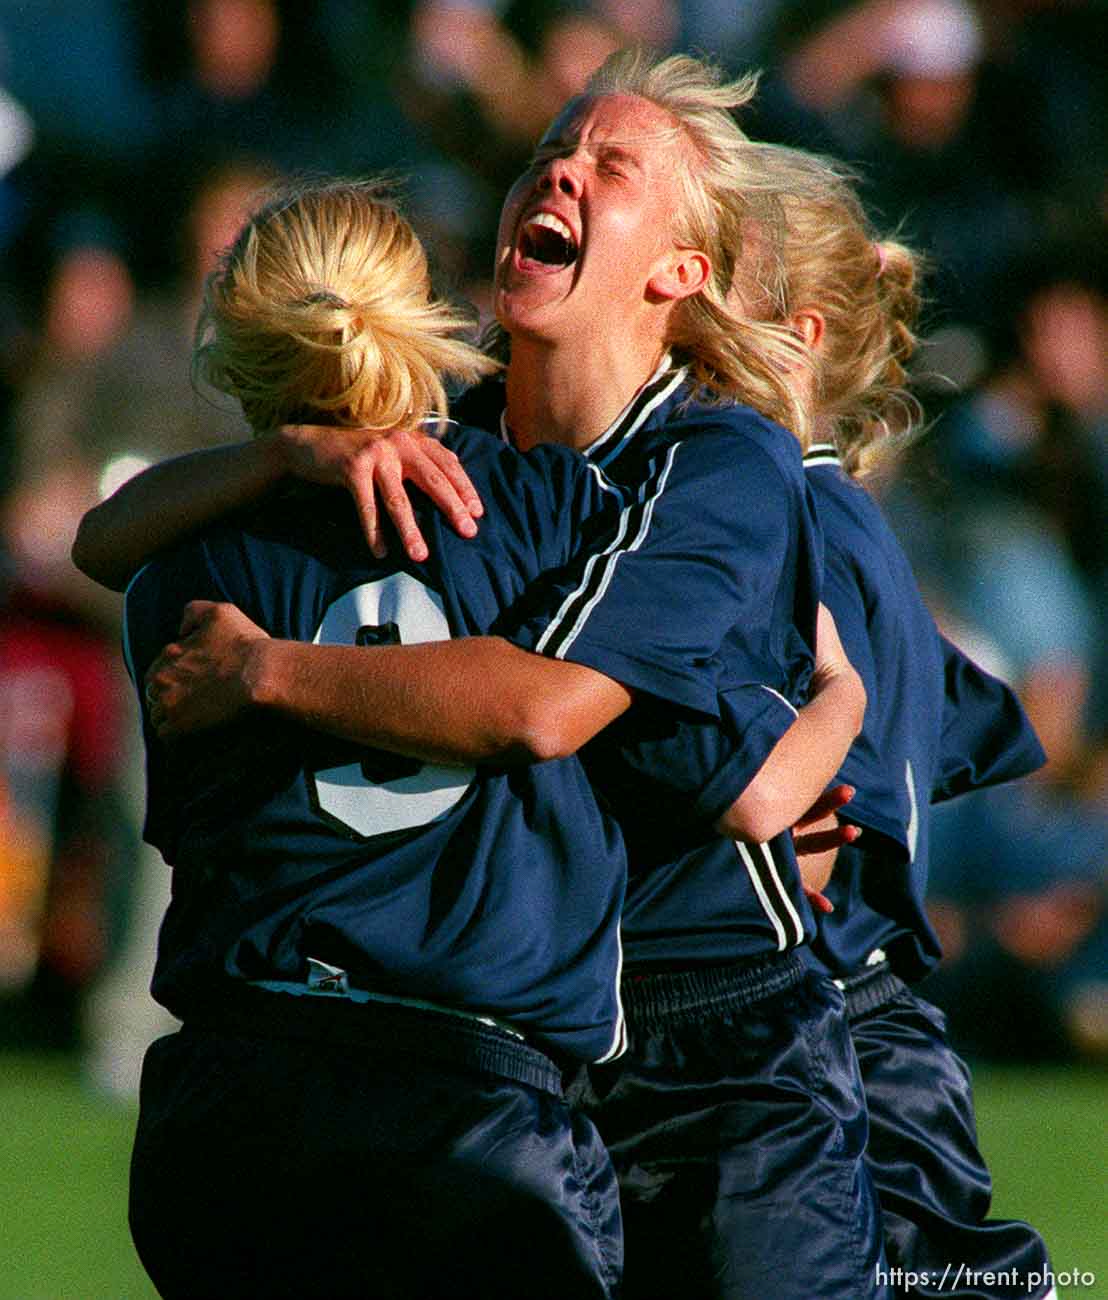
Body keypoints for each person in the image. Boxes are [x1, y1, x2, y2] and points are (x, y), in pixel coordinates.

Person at [75, 51, 884, 1300]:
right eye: (549, 149)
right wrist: (295, 450)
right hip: (495, 1063)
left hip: (708, 1049)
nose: (558, 166)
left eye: (611, 165)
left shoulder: (712, 466)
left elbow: (552, 711)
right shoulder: (481, 463)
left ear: (682, 271)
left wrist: (269, 667)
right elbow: (105, 536)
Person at [727, 144, 1058, 1298]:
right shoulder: (850, 526)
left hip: (839, 1043)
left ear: (803, 336)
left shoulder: (793, 524)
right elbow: (974, 724)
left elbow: (816, 824)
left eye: (721, 291)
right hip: (882, 1043)